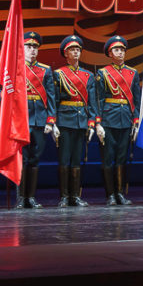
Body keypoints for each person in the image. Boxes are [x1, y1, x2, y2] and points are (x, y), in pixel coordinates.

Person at [95, 35, 142, 206]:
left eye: (122, 49)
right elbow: (98, 99)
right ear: (110, 53)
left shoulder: (132, 73)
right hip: (108, 119)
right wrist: (98, 123)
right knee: (108, 158)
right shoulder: (103, 73)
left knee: (122, 158)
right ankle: (110, 195)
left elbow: (136, 99)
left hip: (126, 120)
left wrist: (136, 122)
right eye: (116, 50)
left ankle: (120, 193)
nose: (120, 52)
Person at [54, 34, 97, 207]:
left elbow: (92, 102)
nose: (76, 52)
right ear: (65, 53)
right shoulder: (59, 74)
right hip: (64, 120)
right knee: (64, 159)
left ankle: (75, 196)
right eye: (72, 49)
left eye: (78, 49)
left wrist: (92, 123)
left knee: (77, 160)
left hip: (81, 121)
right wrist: (53, 122)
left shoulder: (88, 75)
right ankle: (64, 196)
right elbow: (54, 100)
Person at [16, 31, 57, 209]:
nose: (32, 50)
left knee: (34, 159)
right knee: (22, 159)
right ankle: (20, 198)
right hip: (21, 121)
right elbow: (4, 94)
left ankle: (30, 197)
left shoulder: (45, 70)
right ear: (22, 48)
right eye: (29, 46)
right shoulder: (15, 68)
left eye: (35, 47)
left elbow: (51, 97)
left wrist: (50, 120)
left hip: (39, 120)